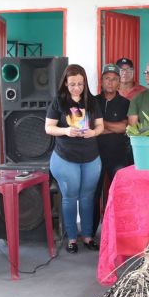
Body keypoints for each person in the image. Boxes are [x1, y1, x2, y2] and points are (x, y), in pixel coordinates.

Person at [45, 64, 104, 254]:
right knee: (70, 198)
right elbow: (48, 128)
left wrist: (93, 132)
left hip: (91, 157)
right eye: (72, 84)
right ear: (65, 83)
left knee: (87, 198)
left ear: (85, 82)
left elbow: (100, 126)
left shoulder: (92, 102)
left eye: (80, 84)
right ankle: (71, 238)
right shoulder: (58, 102)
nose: (76, 88)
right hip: (65, 158)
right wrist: (66, 130)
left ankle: (87, 236)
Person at [93, 63, 132, 226]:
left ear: (119, 82)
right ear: (101, 81)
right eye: (107, 79)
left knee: (119, 193)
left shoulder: (125, 103)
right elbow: (88, 127)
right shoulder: (92, 102)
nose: (110, 82)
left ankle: (117, 229)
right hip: (94, 156)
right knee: (93, 194)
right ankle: (91, 233)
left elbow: (126, 128)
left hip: (119, 157)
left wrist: (101, 125)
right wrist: (115, 127)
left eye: (114, 79)